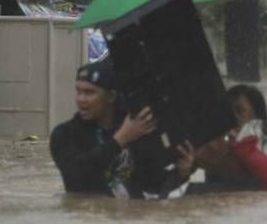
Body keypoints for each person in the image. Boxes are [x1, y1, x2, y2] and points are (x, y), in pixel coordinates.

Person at [49, 59, 196, 198]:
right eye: (78, 91)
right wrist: (119, 140)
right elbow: (77, 175)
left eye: (89, 92)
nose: (80, 99)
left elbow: (153, 185)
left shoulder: (136, 130)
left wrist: (181, 173)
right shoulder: (64, 134)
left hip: (129, 219)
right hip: (90, 219)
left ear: (111, 96)